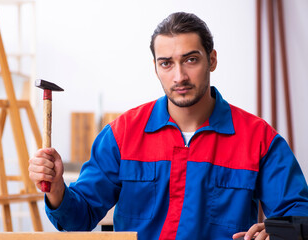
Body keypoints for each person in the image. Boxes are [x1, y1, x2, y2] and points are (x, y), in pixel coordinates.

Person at [28, 12, 308, 240]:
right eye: (166, 64)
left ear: (212, 60)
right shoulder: (122, 135)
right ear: (155, 67)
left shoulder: (258, 139)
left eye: (191, 60)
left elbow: (299, 214)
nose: (179, 76)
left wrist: (275, 233)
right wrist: (56, 189)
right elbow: (79, 219)